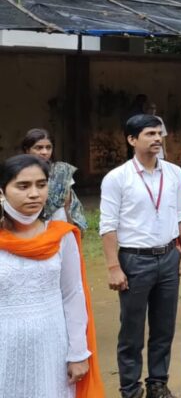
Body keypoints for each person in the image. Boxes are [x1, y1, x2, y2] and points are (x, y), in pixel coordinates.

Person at [101, 114, 181, 398]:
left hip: (169, 256)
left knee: (164, 328)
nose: (157, 138)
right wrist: (114, 267)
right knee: (132, 330)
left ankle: (157, 384)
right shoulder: (117, 178)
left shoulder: (174, 173)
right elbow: (108, 226)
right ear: (132, 139)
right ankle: (130, 389)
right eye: (150, 134)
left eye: (158, 133)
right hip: (134, 260)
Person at [0, 154, 103, 398]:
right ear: (2, 191)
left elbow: (73, 295)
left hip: (52, 347)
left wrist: (78, 353)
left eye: (41, 184)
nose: (34, 194)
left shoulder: (61, 236)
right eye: (23, 186)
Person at [22, 128, 87, 231]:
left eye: (48, 147)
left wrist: (72, 230)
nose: (44, 152)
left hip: (59, 223)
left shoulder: (61, 171)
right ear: (27, 150)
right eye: (39, 148)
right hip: (28, 224)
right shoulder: (18, 173)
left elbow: (68, 204)